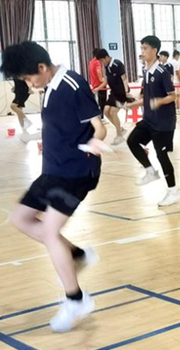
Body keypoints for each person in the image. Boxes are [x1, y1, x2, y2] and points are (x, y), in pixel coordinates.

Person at [1, 41, 110, 332]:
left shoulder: (73, 85)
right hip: (52, 170)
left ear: (42, 67)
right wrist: (35, 136)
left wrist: (96, 143)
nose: (29, 84)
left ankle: (76, 300)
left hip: (76, 171)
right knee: (20, 218)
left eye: (28, 78)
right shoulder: (48, 86)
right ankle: (76, 255)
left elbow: (100, 127)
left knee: (50, 232)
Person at [126, 36, 180, 208]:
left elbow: (173, 96)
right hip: (149, 120)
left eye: (145, 48)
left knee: (162, 155)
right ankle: (150, 171)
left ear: (154, 50)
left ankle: (173, 191)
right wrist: (134, 104)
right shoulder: (147, 71)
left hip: (164, 123)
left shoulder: (161, 72)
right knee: (132, 141)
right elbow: (147, 98)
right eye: (141, 48)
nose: (142, 52)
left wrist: (159, 101)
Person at [95, 49, 130, 146]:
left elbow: (124, 79)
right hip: (113, 93)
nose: (102, 63)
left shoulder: (117, 64)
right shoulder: (107, 66)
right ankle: (120, 129)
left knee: (113, 113)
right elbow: (107, 80)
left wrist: (126, 92)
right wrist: (98, 88)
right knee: (106, 111)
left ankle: (119, 135)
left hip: (121, 93)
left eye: (102, 60)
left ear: (107, 57)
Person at [10, 77, 37, 142]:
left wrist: (30, 87)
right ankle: (24, 130)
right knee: (19, 110)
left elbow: (27, 78)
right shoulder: (15, 73)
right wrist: (15, 87)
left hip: (22, 91)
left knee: (13, 106)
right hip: (19, 91)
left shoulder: (20, 71)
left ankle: (27, 120)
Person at [88, 49, 107, 116]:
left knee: (98, 102)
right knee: (102, 103)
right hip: (100, 85)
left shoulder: (91, 62)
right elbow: (99, 73)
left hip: (94, 84)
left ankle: (99, 116)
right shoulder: (97, 62)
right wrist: (104, 80)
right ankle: (102, 117)